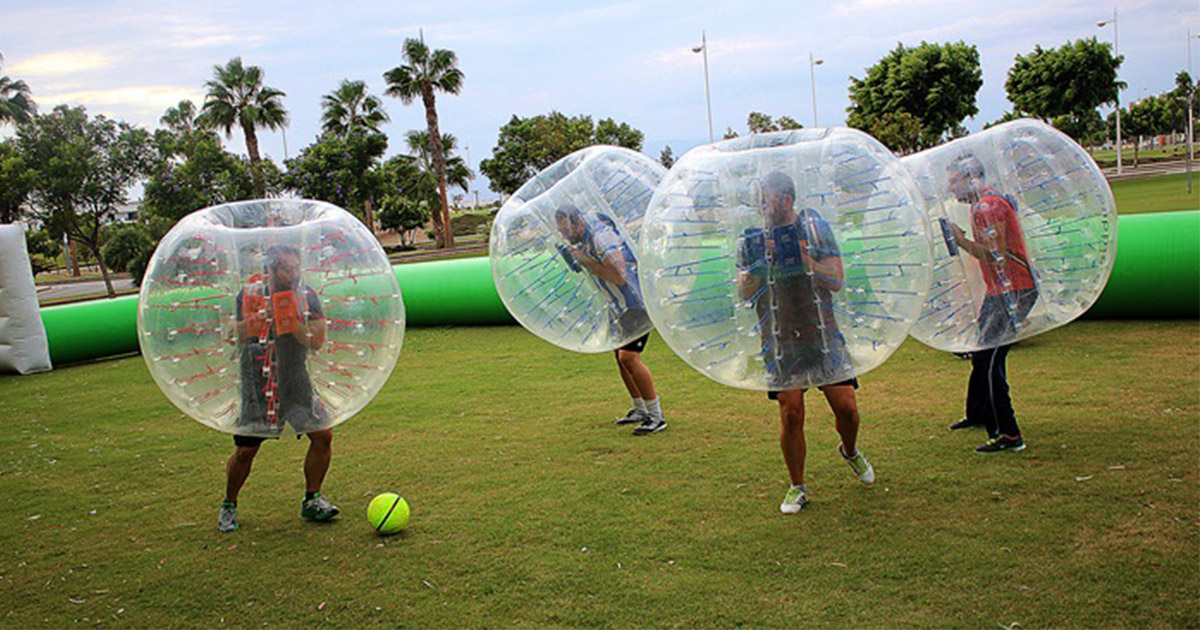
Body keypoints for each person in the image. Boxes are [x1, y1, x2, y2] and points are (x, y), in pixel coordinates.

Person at [737, 171, 874, 514]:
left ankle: (850, 450)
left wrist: (804, 260)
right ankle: (797, 485)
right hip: (780, 339)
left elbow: (837, 280)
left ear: (785, 200)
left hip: (822, 335)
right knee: (791, 413)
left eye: (765, 199)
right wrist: (762, 264)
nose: (761, 206)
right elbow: (743, 292)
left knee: (847, 409)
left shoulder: (815, 230)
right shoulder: (752, 240)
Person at [219, 245, 339, 532]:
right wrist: (256, 321)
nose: (293, 274)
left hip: (294, 376)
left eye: (296, 267)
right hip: (258, 378)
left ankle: (312, 500)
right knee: (246, 450)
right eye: (287, 268)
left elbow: (318, 340)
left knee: (323, 436)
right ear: (271, 270)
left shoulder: (306, 295)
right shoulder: (248, 294)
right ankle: (229, 504)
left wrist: (292, 322)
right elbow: (231, 333)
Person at [945, 154, 1038, 453]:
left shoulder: (989, 205)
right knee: (981, 354)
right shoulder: (979, 205)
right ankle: (980, 414)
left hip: (1016, 289)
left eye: (954, 182)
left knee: (989, 360)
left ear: (971, 178)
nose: (951, 190)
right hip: (1001, 291)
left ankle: (1010, 435)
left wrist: (960, 241)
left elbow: (995, 255)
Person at [554, 204, 666, 436]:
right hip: (617, 306)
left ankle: (656, 417)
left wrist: (584, 260)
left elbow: (620, 276)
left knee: (629, 357)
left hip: (635, 302)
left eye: (565, 229)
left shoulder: (600, 237)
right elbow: (588, 268)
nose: (564, 235)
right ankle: (639, 409)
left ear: (577, 222)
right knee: (619, 357)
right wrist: (574, 260)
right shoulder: (583, 241)